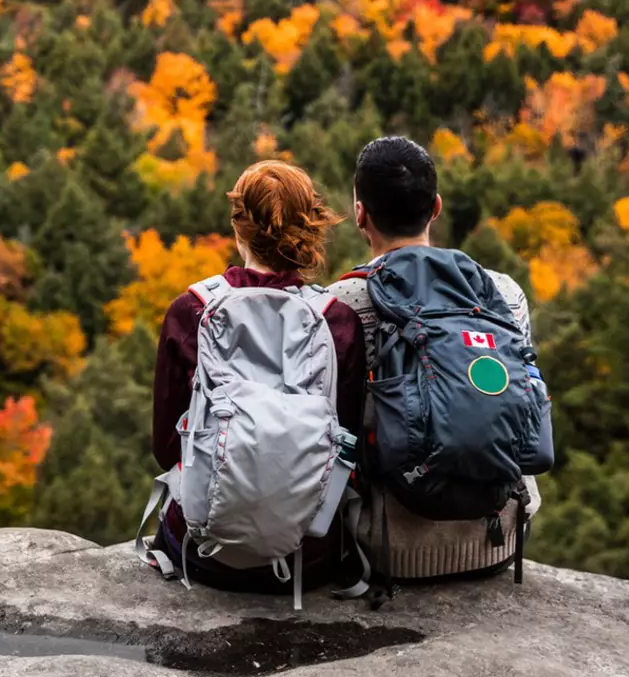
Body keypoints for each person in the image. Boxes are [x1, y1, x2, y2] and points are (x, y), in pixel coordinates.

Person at [146, 158, 365, 593]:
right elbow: (346, 447)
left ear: (237, 227)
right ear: (309, 228)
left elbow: (167, 447)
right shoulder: (337, 321)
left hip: (202, 551)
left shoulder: (191, 310)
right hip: (307, 553)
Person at [328, 135, 541, 581]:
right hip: (496, 540)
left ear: (360, 214)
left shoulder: (340, 303)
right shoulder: (503, 294)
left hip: (389, 549)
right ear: (436, 207)